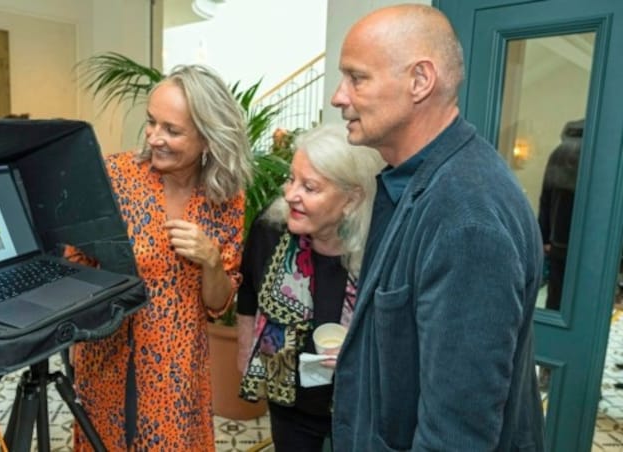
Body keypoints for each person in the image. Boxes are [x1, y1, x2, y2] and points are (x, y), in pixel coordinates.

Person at [328, 4, 544, 450]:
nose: (338, 97)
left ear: (420, 81)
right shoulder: (417, 181)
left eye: (357, 77)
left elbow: (455, 435)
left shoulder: (466, 217)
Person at [71, 64, 252, 451]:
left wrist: (211, 260)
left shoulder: (225, 198)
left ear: (207, 137)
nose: (154, 138)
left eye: (172, 130)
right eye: (151, 123)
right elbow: (75, 264)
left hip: (176, 363)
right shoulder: (114, 176)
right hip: (107, 352)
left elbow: (218, 305)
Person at [236, 124, 383, 451]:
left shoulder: (381, 249)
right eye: (292, 179)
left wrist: (359, 353)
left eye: (310, 187)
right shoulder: (269, 230)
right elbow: (247, 294)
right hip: (289, 407)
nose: (290, 195)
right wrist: (246, 356)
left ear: (352, 198)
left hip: (358, 409)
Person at [539, 119, 583, 311]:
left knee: (555, 297)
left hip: (558, 239)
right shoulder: (597, 156)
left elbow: (545, 199)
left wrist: (544, 236)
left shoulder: (558, 154)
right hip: (587, 244)